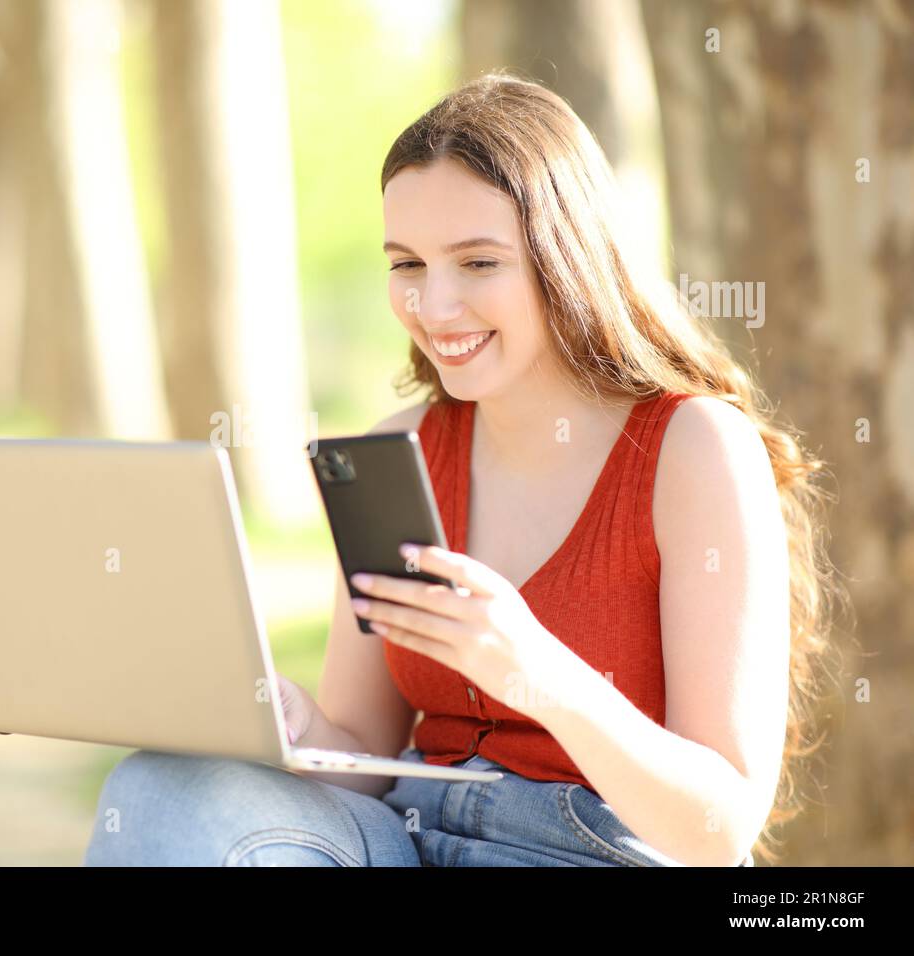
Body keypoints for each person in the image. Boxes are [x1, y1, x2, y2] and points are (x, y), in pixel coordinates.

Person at [83, 71, 842, 867]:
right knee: (157, 791)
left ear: (568, 257)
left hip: (587, 848)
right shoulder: (395, 448)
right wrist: (293, 726)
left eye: (477, 264)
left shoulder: (694, 449)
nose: (433, 306)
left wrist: (538, 674)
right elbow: (363, 756)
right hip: (404, 832)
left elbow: (718, 832)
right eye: (406, 263)